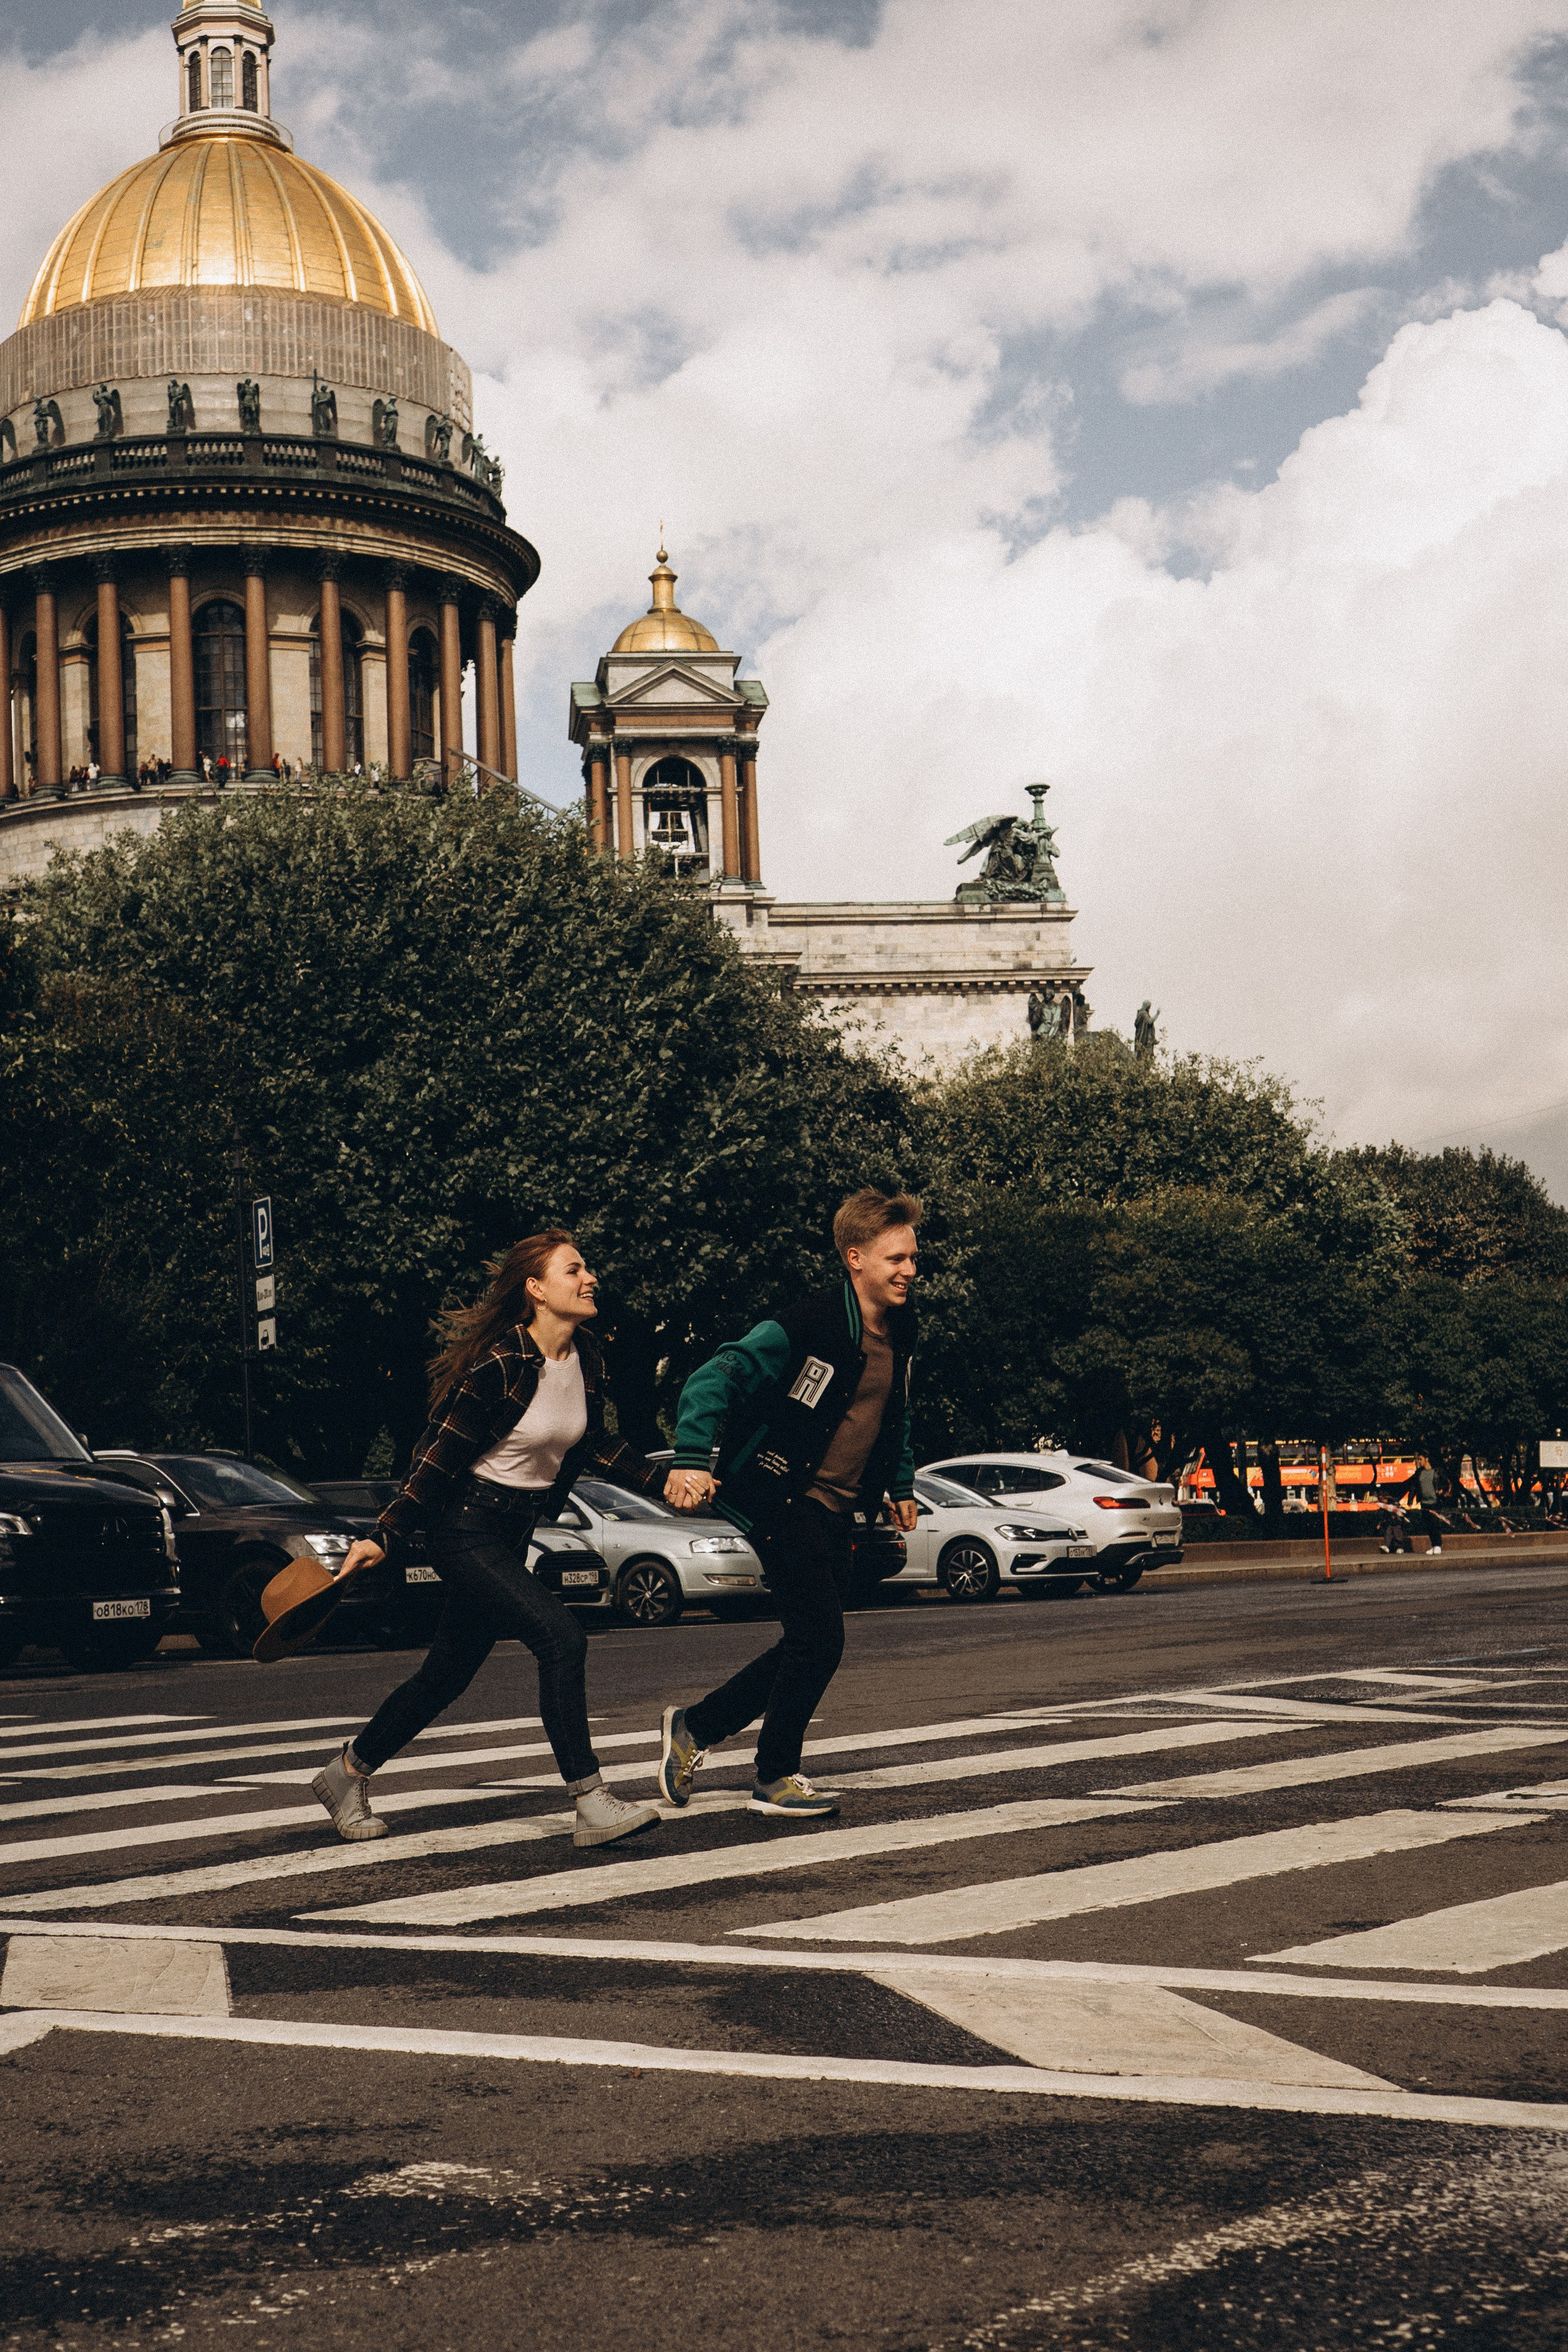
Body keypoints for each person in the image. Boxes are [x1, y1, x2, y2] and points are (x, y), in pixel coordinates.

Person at [313, 1231, 663, 1850]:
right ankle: (589, 1800)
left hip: (512, 1530)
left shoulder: (585, 1357)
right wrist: (385, 1534)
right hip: (465, 1527)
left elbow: (591, 1443)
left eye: (587, 1269)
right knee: (561, 1638)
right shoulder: (500, 1365)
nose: (590, 1278)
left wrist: (666, 1480)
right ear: (536, 1289)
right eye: (574, 1270)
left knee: (447, 1673)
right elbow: (436, 1457)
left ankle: (346, 1773)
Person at [656, 1186, 921, 1820]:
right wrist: (691, 1455)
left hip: (836, 1507)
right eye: (896, 1258)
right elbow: (713, 1376)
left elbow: (896, 1413)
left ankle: (697, 1726)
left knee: (808, 1640)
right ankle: (774, 1774)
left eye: (913, 1257)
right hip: (781, 1496)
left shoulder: (902, 1328)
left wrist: (902, 1483)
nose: (910, 1270)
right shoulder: (806, 1324)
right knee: (819, 1638)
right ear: (855, 1258)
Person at [1399, 1452, 1447, 1555]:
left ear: (1427, 1459)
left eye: (1420, 1459)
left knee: (1435, 1524)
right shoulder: (1419, 1473)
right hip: (1424, 1503)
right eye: (1418, 1459)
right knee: (1429, 1525)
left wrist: (1442, 1490)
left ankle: (1438, 1545)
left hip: (1435, 1502)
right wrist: (1410, 1499)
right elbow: (1414, 1487)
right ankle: (1434, 1546)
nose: (1419, 1461)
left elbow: (1444, 1483)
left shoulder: (1436, 1471)